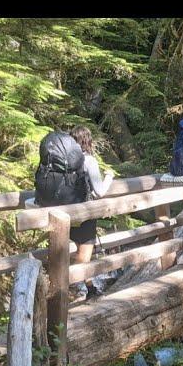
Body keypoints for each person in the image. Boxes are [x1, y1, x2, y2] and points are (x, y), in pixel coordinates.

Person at [69, 125, 115, 298]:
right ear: (87, 141)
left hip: (68, 210)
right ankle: (63, 284)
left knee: (79, 251)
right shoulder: (88, 160)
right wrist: (109, 177)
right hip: (85, 213)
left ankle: (90, 288)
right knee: (84, 254)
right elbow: (99, 191)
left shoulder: (66, 160)